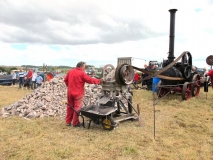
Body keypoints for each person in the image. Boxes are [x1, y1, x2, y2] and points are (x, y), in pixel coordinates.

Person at [64, 61, 104, 127]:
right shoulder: (82, 73)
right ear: (82, 66)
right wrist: (99, 81)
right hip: (78, 93)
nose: (85, 68)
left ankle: (68, 122)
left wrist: (70, 86)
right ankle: (75, 123)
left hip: (70, 93)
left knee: (70, 107)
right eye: (85, 67)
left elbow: (65, 80)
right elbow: (90, 80)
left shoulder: (70, 71)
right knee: (77, 108)